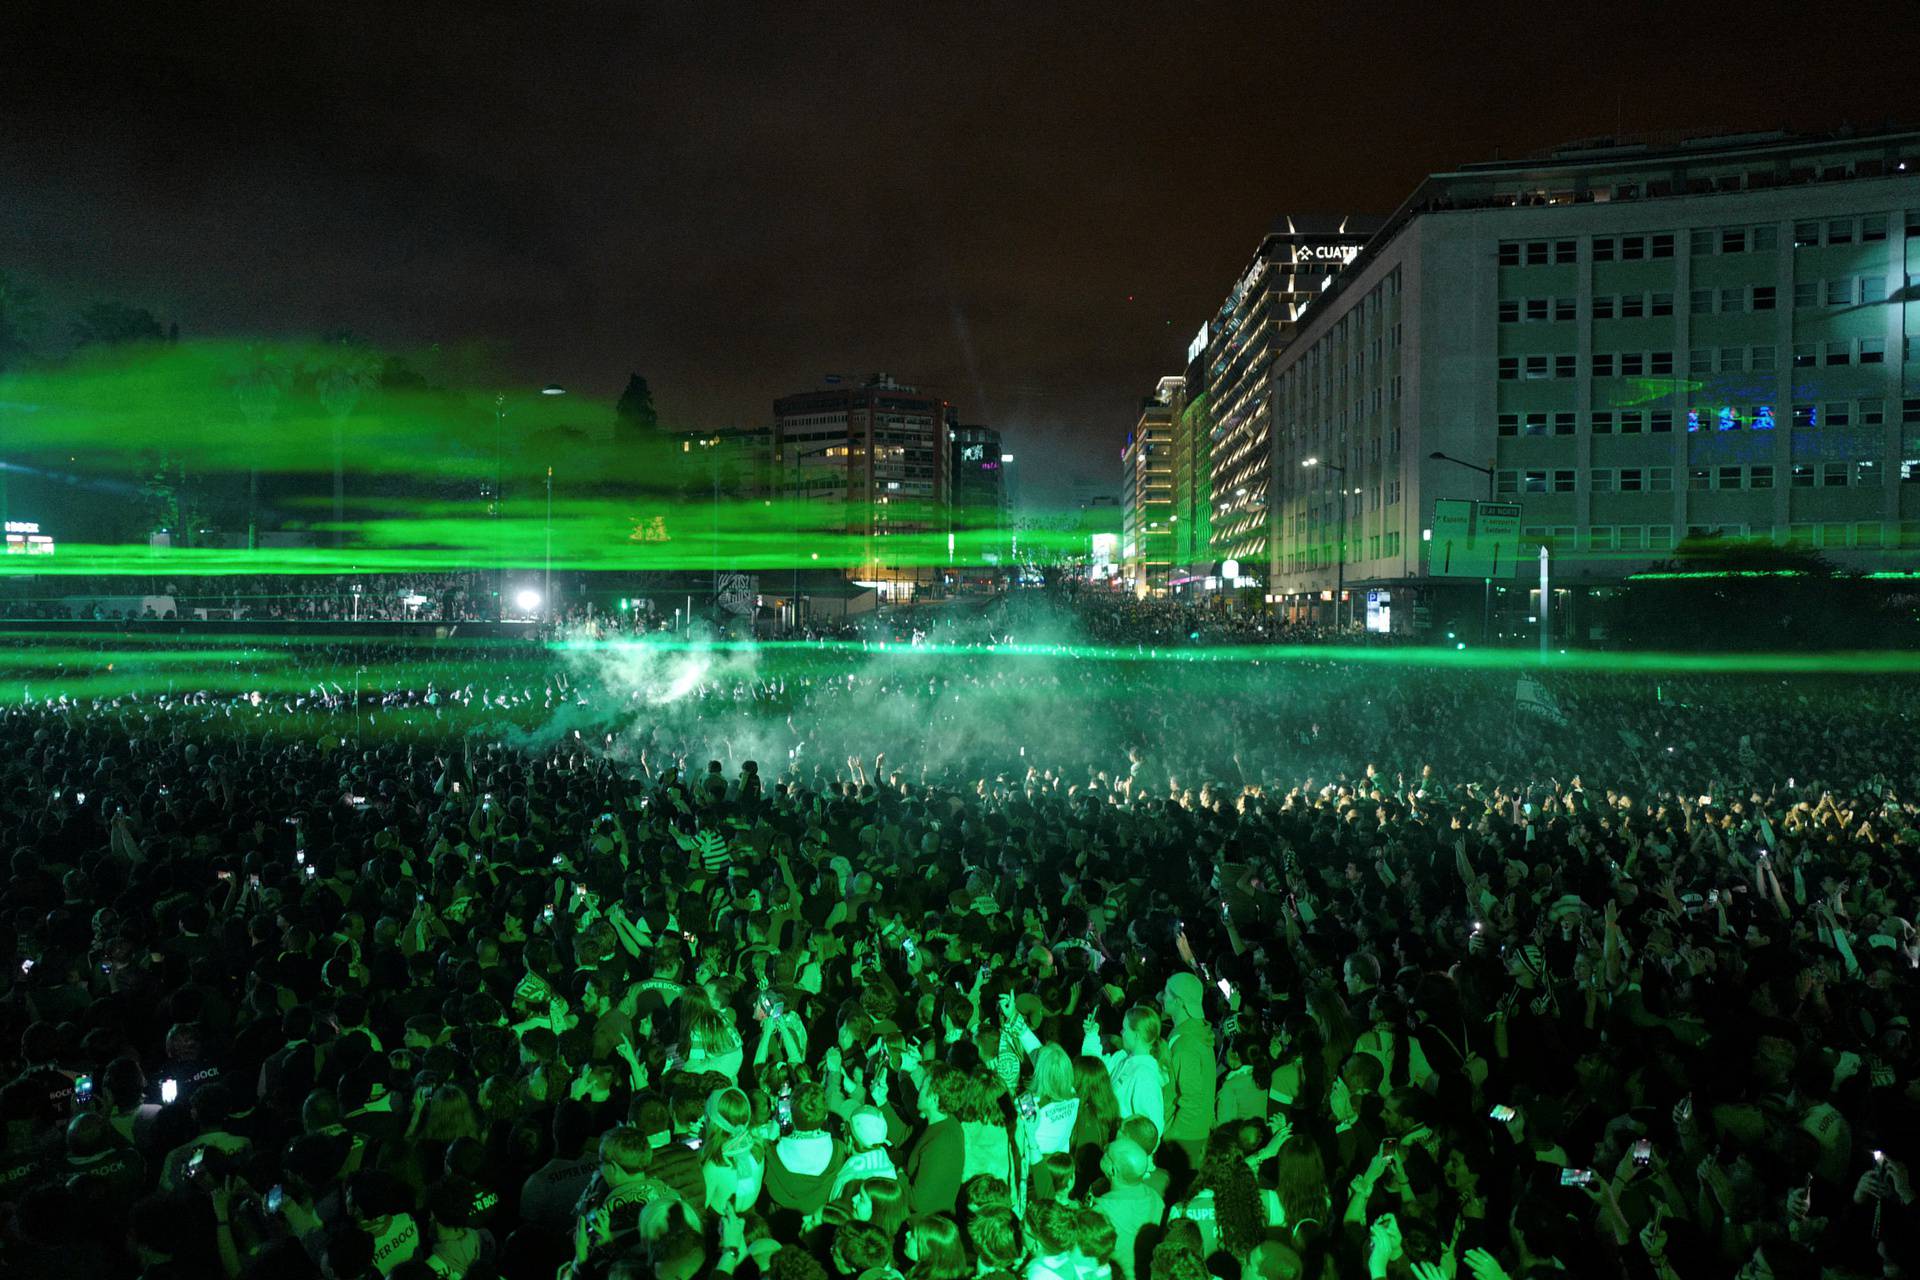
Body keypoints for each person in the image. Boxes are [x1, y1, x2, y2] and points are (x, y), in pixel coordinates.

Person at [1156, 976, 1215, 1190]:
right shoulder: (1193, 1031)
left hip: (1185, 1139)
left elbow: (1191, 1098)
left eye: (1167, 992)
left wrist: (1172, 1133)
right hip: (1194, 1134)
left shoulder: (1186, 1044)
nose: (1162, 997)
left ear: (1180, 1002)